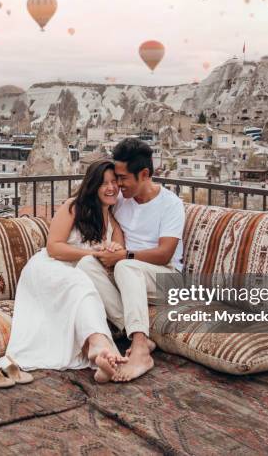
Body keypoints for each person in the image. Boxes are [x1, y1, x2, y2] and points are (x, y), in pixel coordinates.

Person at [0, 160, 127, 383]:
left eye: (114, 182)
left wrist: (113, 250)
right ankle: (100, 344)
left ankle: (97, 353)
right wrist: (93, 255)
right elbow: (54, 247)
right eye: (104, 183)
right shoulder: (74, 207)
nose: (111, 188)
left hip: (78, 274)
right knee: (81, 284)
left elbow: (116, 258)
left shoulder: (114, 224)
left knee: (84, 290)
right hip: (49, 268)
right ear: (92, 185)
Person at [77, 138, 185, 382]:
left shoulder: (170, 204)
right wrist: (109, 250)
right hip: (127, 273)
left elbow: (165, 253)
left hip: (167, 277)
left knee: (125, 266)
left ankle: (139, 350)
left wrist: (123, 256)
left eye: (123, 178)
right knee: (86, 264)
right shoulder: (121, 200)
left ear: (144, 174)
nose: (118, 183)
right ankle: (136, 333)